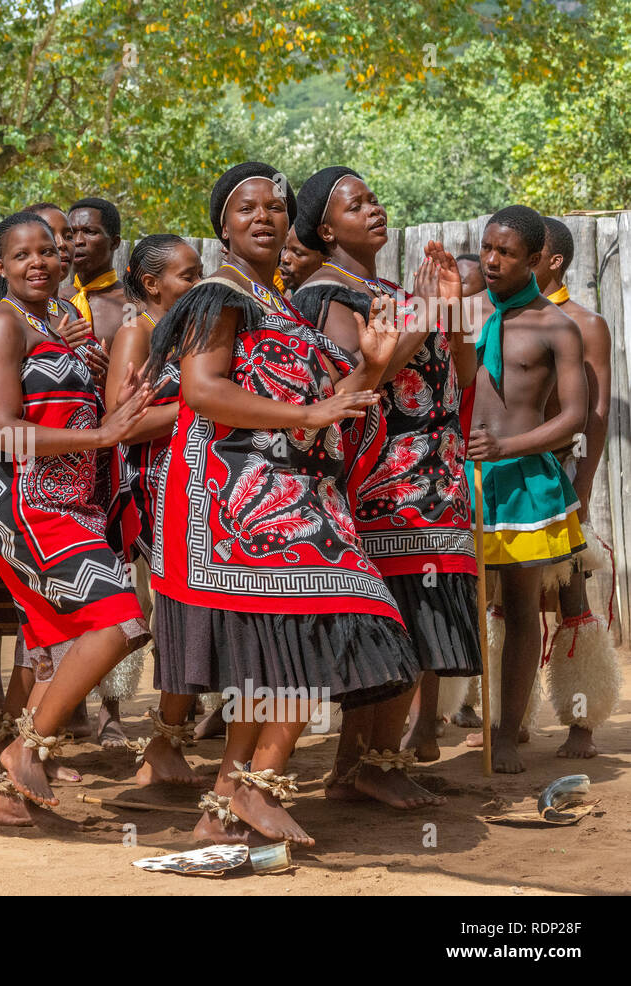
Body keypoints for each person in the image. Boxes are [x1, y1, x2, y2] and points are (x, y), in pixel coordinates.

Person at [147, 162, 419, 847]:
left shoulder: (282, 301)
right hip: (237, 495)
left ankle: (224, 806)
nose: (264, 217)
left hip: (298, 490)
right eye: (247, 208)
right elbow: (203, 390)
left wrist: (377, 364)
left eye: (275, 206)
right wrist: (305, 417)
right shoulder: (219, 294)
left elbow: (339, 399)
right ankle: (254, 786)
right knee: (308, 629)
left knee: (287, 642)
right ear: (223, 227)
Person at [289, 167, 479, 810]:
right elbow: (356, 380)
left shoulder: (390, 289)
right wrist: (424, 318)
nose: (374, 209)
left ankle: (355, 764)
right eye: (355, 204)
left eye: (374, 199)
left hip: (433, 480)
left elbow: (465, 368)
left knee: (414, 629)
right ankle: (374, 762)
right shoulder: (325, 293)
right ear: (324, 227)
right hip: (383, 489)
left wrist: (451, 311)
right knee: (402, 627)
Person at [0, 211, 154, 823]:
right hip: (24, 501)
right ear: (1, 266)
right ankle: (24, 750)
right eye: (22, 255)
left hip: (72, 503)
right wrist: (101, 438)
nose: (40, 262)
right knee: (120, 625)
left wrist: (98, 377)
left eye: (48, 251)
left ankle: (13, 798)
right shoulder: (0, 325)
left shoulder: (58, 324)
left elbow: (75, 409)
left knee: (61, 644)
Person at [463, 205, 587, 773]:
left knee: (518, 609)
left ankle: (507, 732)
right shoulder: (468, 315)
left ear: (536, 259)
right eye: (487, 247)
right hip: (460, 479)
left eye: (506, 252)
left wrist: (507, 449)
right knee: (444, 601)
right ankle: (420, 726)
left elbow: (575, 419)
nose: (491, 260)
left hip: (524, 487)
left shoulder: (556, 327)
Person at [105, 233, 206, 785]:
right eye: (188, 275)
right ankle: (162, 749)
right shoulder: (135, 332)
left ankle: (170, 745)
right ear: (151, 284)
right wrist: (200, 400)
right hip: (155, 494)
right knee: (176, 614)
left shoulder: (181, 332)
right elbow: (119, 425)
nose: (198, 283)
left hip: (192, 488)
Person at [531, 215, 620, 758]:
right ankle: (507, 716)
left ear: (552, 261)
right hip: (505, 476)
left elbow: (599, 411)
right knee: (504, 598)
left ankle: (581, 724)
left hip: (562, 473)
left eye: (523, 252)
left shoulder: (585, 324)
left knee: (571, 591)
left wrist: (582, 485)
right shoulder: (504, 318)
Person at [68, 196, 130, 350]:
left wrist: (112, 370)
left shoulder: (132, 305)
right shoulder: (53, 301)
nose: (78, 241)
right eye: (71, 234)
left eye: (89, 232)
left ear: (114, 243)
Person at [278, 227, 325, 296]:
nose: (284, 258)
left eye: (297, 253)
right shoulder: (276, 287)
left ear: (326, 262)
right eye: (284, 247)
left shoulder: (327, 304)